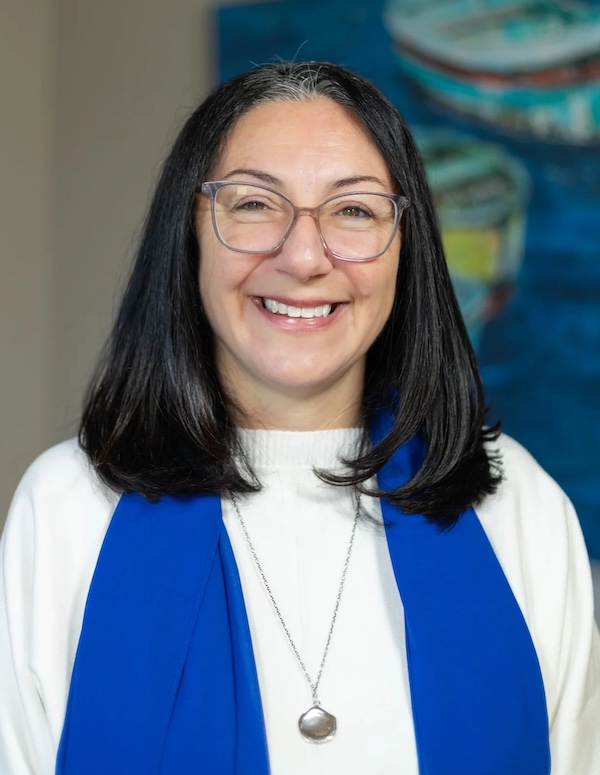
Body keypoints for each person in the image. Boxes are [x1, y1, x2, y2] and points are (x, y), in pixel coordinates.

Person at [0, 61, 598, 775]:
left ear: (405, 246)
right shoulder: (67, 508)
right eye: (255, 203)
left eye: (354, 210)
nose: (305, 256)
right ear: (189, 234)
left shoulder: (517, 504)